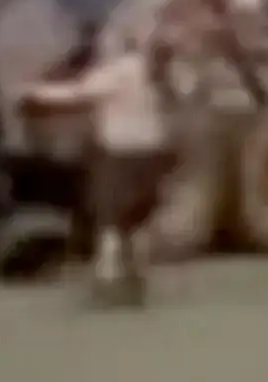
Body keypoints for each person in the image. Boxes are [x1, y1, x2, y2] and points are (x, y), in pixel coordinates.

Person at [23, 21, 173, 304]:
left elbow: (77, 93)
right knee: (138, 218)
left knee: (110, 217)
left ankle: (107, 275)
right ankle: (138, 276)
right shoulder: (149, 71)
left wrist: (33, 92)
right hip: (151, 152)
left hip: (121, 154)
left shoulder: (119, 72)